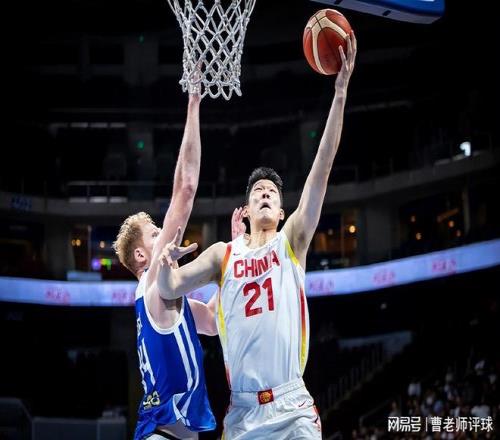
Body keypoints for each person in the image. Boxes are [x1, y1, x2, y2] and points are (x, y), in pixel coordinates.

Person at [156, 33, 357, 439]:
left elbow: (322, 168)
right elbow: (169, 288)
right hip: (243, 413)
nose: (265, 193)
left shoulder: (292, 241)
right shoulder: (222, 254)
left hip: (292, 406)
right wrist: (164, 264)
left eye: (272, 192)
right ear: (245, 211)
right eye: (257, 191)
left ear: (282, 212)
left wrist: (339, 94)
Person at [113, 91, 217, 440]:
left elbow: (213, 322)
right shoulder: (153, 283)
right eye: (156, 234)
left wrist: (233, 259)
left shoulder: (165, 298)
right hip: (164, 433)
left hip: (170, 433)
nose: (165, 237)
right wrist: (194, 104)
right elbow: (185, 189)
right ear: (142, 256)